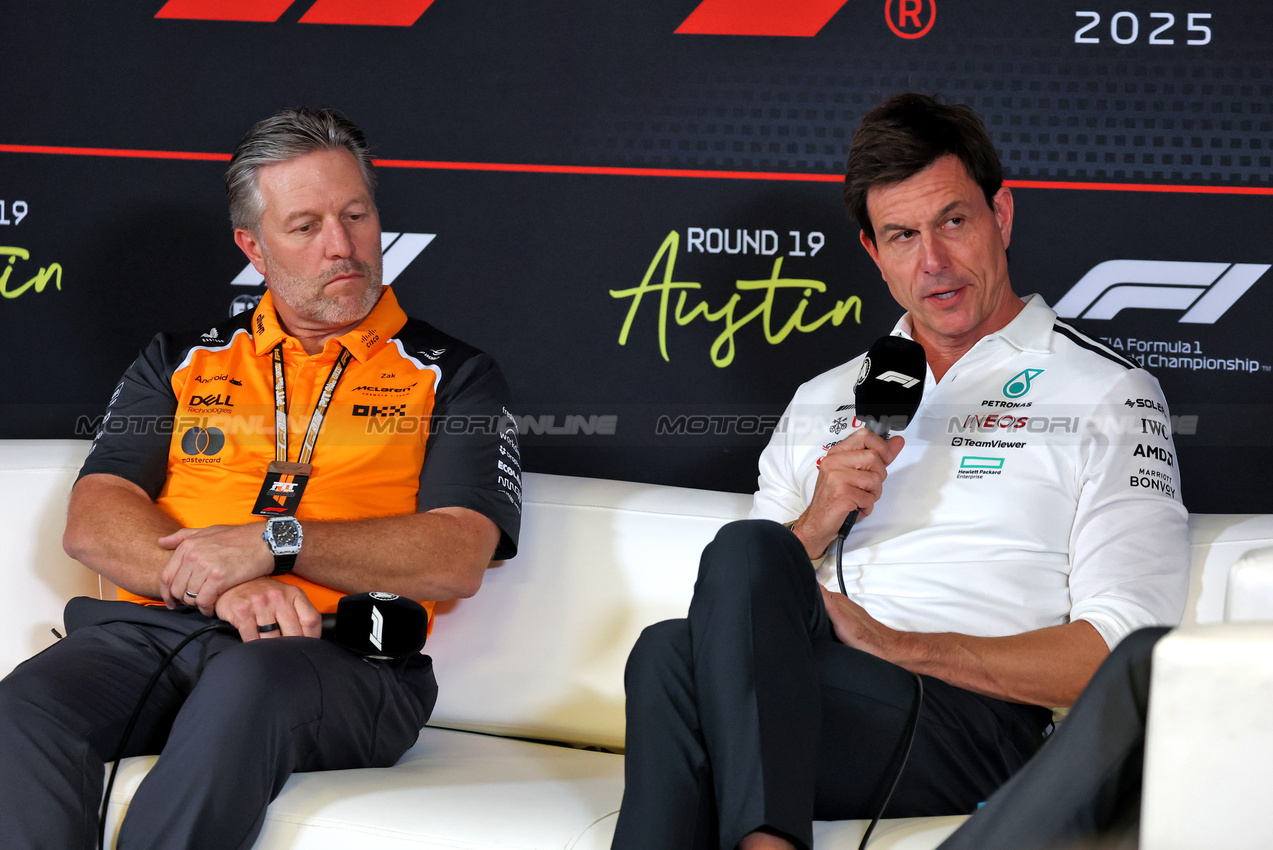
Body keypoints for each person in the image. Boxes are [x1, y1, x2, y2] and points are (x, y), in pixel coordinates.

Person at [611, 92, 1188, 850]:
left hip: (975, 728)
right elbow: (738, 609)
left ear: (1001, 215)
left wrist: (905, 646)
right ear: (872, 253)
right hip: (816, 699)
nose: (934, 263)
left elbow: (1122, 654)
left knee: (670, 659)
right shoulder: (823, 397)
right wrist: (816, 523)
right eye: (902, 236)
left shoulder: (1108, 393)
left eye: (953, 221)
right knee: (723, 586)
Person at [0, 107, 522, 849]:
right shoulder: (183, 360)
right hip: (156, 636)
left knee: (246, 687)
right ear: (253, 245)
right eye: (305, 227)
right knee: (28, 700)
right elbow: (96, 517)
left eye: (355, 215)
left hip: (339, 659)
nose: (341, 247)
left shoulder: (455, 375)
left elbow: (456, 555)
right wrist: (229, 582)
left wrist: (275, 542)